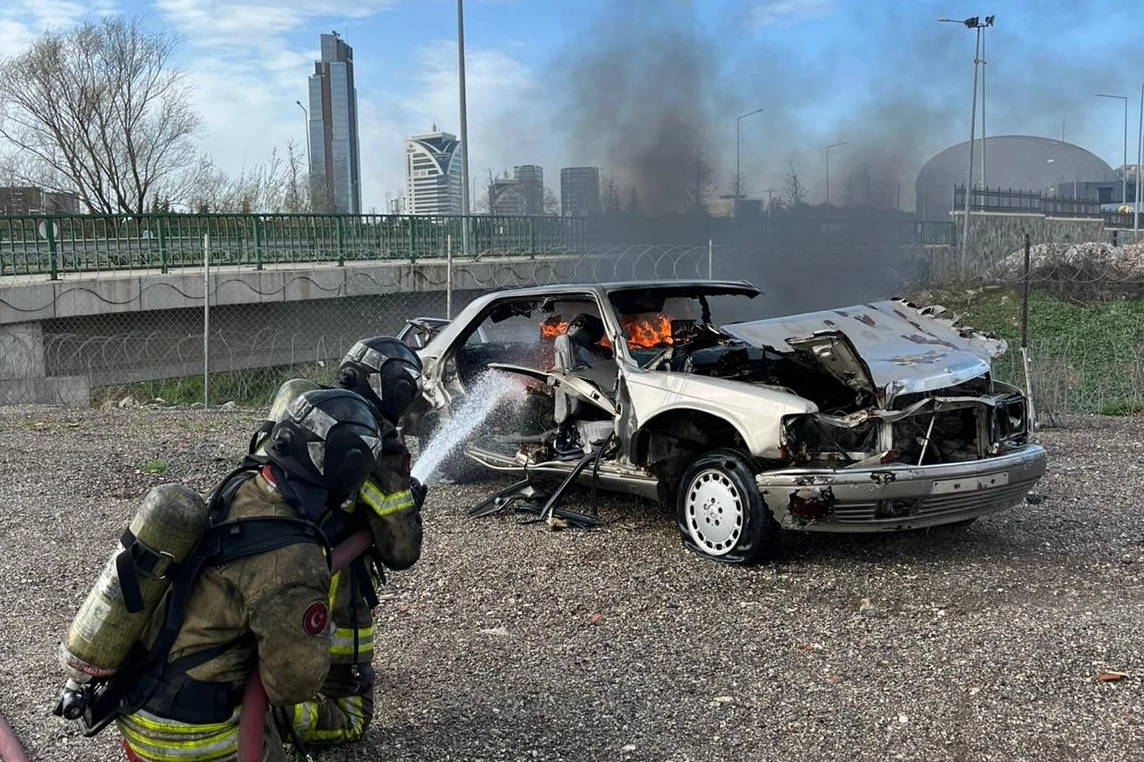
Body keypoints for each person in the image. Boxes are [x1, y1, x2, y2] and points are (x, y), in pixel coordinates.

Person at [113, 388, 382, 762]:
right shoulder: (294, 561)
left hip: (134, 708)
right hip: (194, 740)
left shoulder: (239, 487)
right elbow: (292, 685)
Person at [272, 337, 427, 755]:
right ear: (396, 391)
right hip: (327, 588)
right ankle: (259, 716)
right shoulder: (374, 445)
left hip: (267, 571)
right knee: (351, 719)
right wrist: (409, 505)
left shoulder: (309, 413)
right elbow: (401, 552)